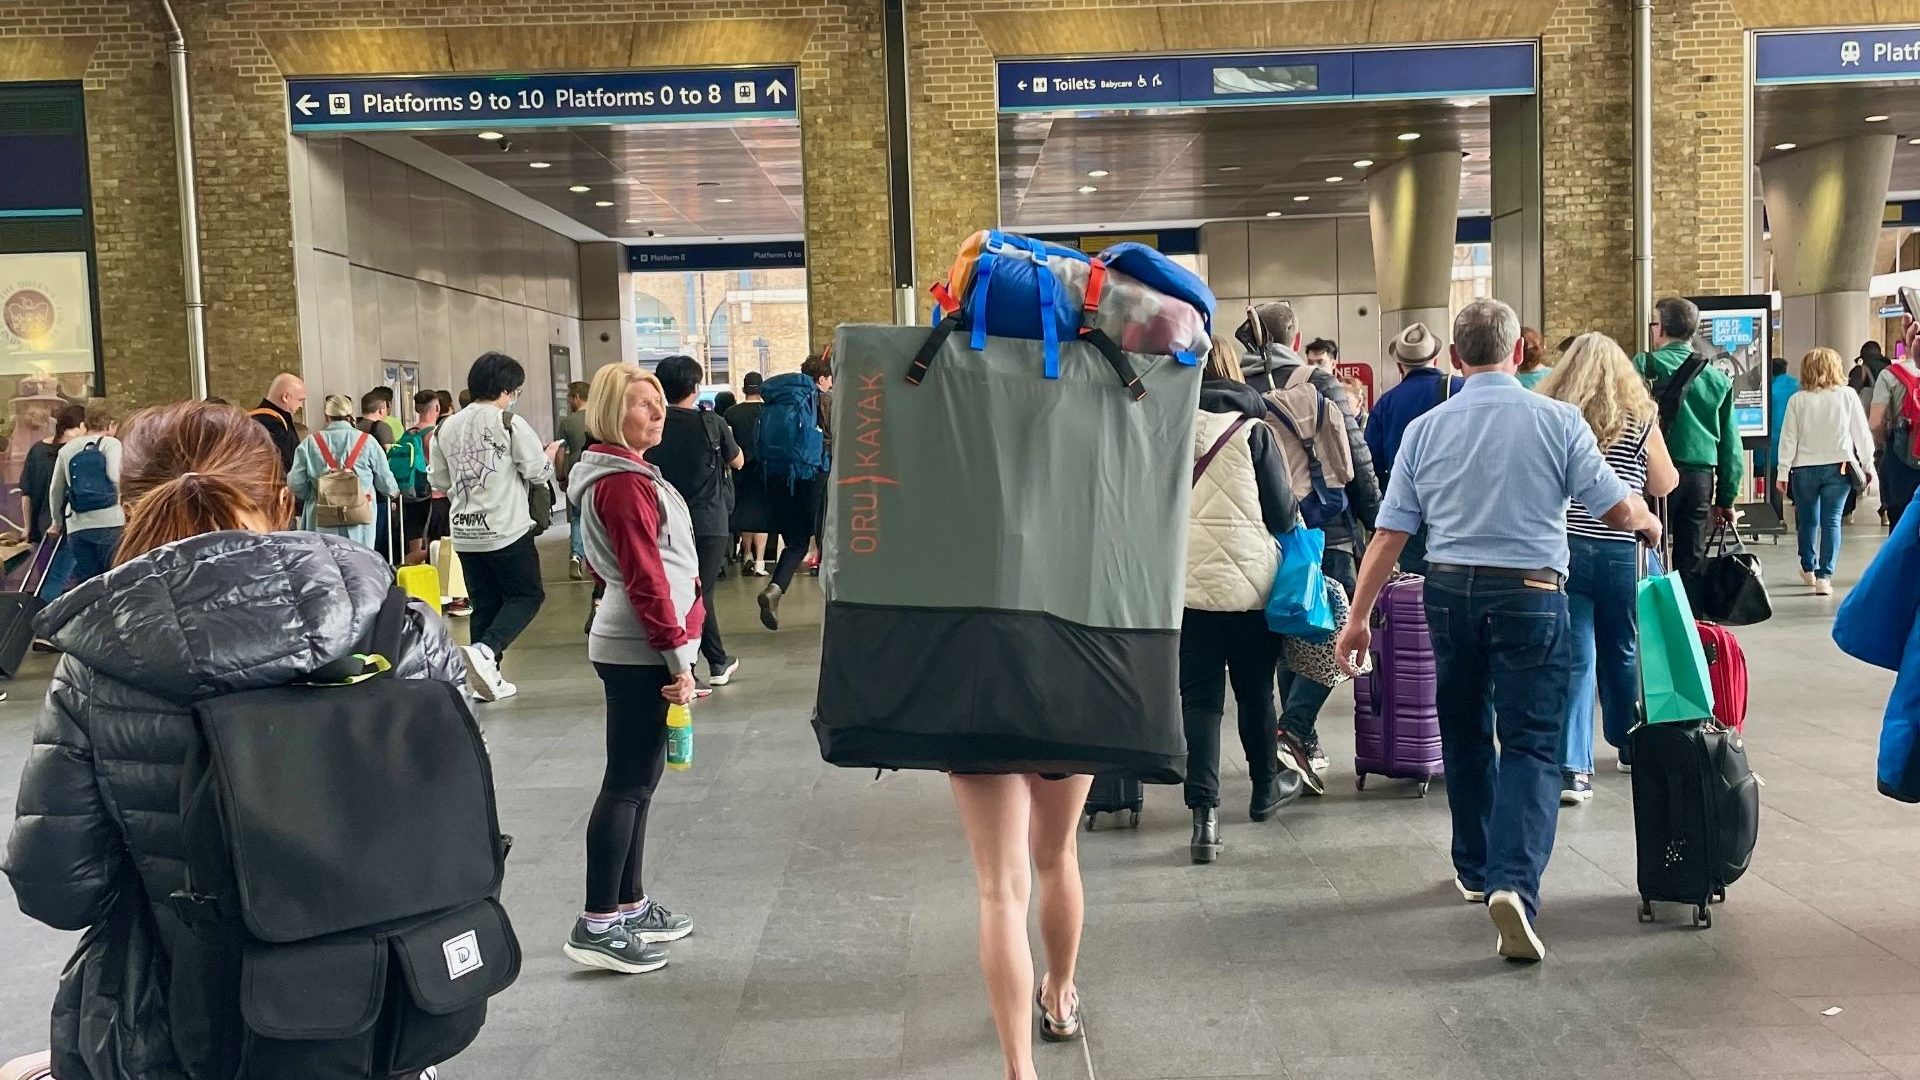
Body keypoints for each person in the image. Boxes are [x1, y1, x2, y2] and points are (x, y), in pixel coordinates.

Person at [2, 400, 461, 1080]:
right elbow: (455, 819)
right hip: (385, 1005)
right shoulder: (401, 625)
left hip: (182, 1024)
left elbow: (58, 888)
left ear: (133, 509)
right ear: (281, 501)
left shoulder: (97, 667)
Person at [1334, 299, 1661, 963]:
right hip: (1533, 593)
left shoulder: (1426, 429)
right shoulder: (1560, 420)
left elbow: (1390, 534)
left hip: (1449, 591)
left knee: (1461, 730)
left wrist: (1359, 617)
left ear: (1456, 359)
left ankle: (1476, 867)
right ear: (1518, 355)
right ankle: (1513, 883)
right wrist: (1648, 522)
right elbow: (1616, 505)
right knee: (1533, 743)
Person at [562, 363, 701, 974]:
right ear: (612, 413)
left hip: (644, 641)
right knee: (627, 784)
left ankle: (629, 902)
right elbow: (643, 577)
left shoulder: (629, 474)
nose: (659, 412)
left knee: (640, 784)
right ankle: (597, 922)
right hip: (641, 649)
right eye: (644, 404)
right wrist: (676, 656)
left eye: (660, 402)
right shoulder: (619, 483)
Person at [1237, 301, 1381, 781]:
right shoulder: (1319, 382)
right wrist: (1377, 524)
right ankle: (1295, 729)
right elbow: (1355, 457)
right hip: (1324, 530)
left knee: (1289, 633)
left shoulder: (1238, 383)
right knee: (1328, 633)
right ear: (1295, 340)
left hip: (1258, 531)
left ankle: (1301, 740)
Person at [1536, 333, 1679, 797]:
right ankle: (1628, 743)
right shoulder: (1641, 416)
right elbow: (1666, 480)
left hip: (1568, 547)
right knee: (1623, 647)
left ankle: (1572, 767)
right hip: (1624, 546)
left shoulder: (1555, 414)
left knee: (1576, 655)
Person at [1181, 334, 1305, 862]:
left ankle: (1204, 817)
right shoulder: (1255, 431)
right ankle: (1262, 790)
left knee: (1201, 701)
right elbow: (1281, 515)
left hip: (1185, 590)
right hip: (1251, 590)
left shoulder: (1170, 427)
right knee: (1256, 692)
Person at [429, 351, 560, 702]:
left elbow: (439, 479)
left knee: (484, 603)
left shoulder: (444, 427)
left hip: (465, 531)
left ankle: (488, 679)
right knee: (527, 595)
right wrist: (547, 459)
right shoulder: (509, 423)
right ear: (507, 389)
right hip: (505, 527)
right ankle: (487, 651)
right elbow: (537, 472)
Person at [645, 355, 743, 688]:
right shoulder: (711, 422)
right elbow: (739, 461)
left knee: (678, 589)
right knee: (700, 592)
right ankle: (703, 663)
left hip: (664, 518)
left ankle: (708, 660)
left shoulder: (652, 422)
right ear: (695, 386)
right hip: (707, 519)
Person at [1634, 297, 1742, 573]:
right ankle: (1689, 614)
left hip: (1652, 473)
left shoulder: (1645, 366)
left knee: (1647, 549)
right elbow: (1730, 446)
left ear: (1660, 330)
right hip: (1699, 479)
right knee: (1691, 556)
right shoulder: (1717, 378)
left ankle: (1653, 614)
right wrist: (1726, 499)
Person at [1363, 321, 1461, 576]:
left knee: (1415, 585)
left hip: (1408, 513)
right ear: (1436, 360)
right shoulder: (1459, 390)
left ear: (1399, 366)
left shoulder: (1386, 404)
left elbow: (1371, 462)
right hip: (1456, 508)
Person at [1778, 347, 1876, 596]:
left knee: (1808, 520)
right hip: (1839, 467)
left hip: (1803, 469)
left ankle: (1807, 568)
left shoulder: (1797, 400)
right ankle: (1825, 576)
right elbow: (1861, 434)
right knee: (1831, 520)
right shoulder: (1848, 395)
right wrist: (1867, 465)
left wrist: (1782, 472)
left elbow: (1788, 439)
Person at [757, 354, 834, 629]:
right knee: (830, 541)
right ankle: (836, 610)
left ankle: (775, 588)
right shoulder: (825, 400)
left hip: (780, 477)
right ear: (823, 378)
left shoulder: (777, 402)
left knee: (797, 542)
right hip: (815, 477)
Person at [287, 393, 399, 550]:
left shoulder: (310, 443)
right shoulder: (367, 442)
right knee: (359, 562)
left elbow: (295, 483)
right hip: (359, 520)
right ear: (350, 415)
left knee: (324, 565)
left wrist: (314, 495)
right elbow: (386, 482)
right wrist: (393, 492)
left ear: (327, 416)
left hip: (321, 518)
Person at [46, 403, 124, 589]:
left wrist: (56, 522)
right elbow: (115, 476)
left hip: (78, 526)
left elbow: (55, 490)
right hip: (111, 523)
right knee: (115, 581)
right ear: (111, 424)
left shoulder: (67, 449)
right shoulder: (111, 444)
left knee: (88, 584)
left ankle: (93, 616)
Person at [20, 402, 85, 603]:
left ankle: (38, 614)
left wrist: (27, 527)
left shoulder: (37, 450)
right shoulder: (78, 452)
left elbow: (26, 492)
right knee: (64, 578)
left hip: (42, 525)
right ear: (81, 426)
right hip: (68, 524)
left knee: (46, 575)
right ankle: (45, 620)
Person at [1870, 323, 1920, 529]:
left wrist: (1884, 441)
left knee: (1900, 528)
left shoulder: (1890, 375)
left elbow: (1875, 422)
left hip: (1900, 459)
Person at [726, 371, 772, 576]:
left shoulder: (731, 413)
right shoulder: (768, 410)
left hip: (740, 469)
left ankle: (746, 555)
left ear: (745, 389)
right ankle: (761, 562)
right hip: (763, 468)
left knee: (744, 511)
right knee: (762, 514)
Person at [395, 389, 447, 565]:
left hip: (411, 495)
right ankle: (395, 574)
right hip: (432, 497)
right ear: (437, 407)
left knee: (416, 545)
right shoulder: (433, 434)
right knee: (433, 548)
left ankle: (410, 581)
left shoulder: (408, 433)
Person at [559, 380, 592, 580]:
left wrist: (560, 476)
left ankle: (576, 556)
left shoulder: (567, 422)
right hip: (597, 472)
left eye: (569, 398)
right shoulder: (599, 417)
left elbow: (561, 452)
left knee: (577, 517)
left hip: (575, 473)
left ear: (576, 397)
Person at [1761, 357, 1800, 521]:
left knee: (1773, 480)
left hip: (1773, 442)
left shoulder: (1766, 387)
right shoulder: (1797, 385)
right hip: (1798, 442)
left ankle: (1777, 517)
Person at [250, 371, 306, 472]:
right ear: (285, 397)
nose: (301, 405)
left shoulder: (250, 420)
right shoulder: (275, 425)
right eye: (300, 400)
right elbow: (286, 468)